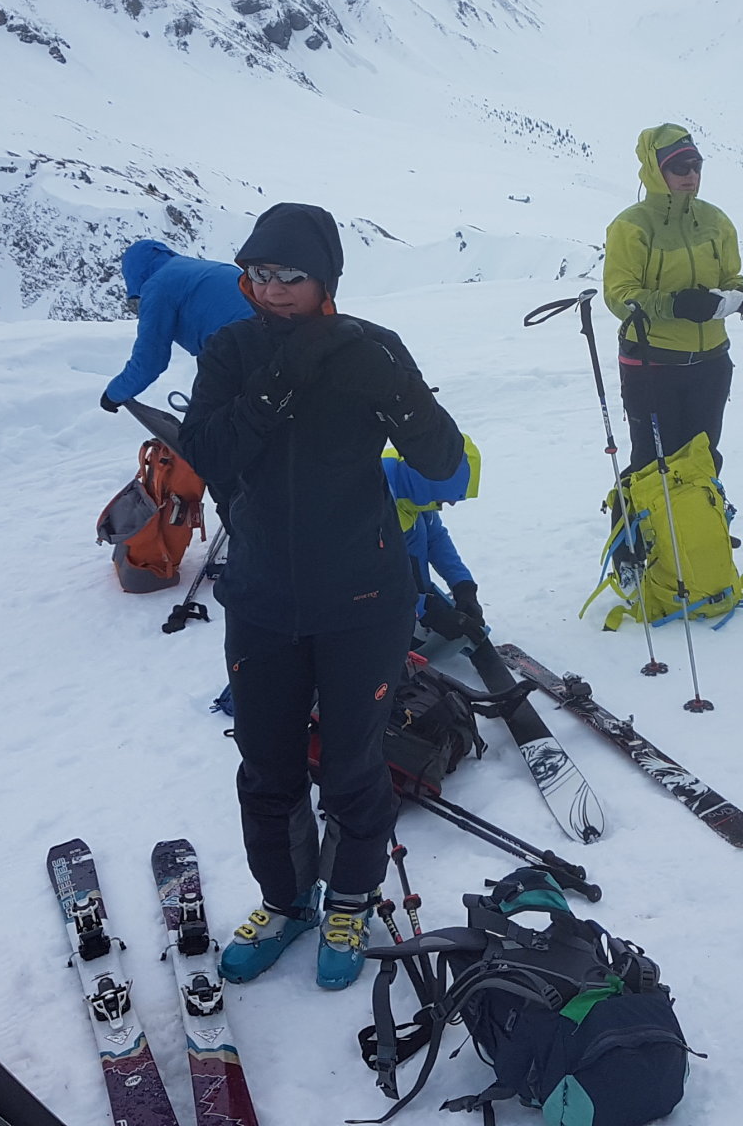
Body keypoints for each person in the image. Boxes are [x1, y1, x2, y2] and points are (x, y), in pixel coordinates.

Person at [178, 203, 464, 992]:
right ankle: (285, 902)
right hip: (262, 596)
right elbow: (208, 453)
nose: (271, 290)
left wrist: (398, 390)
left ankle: (347, 899)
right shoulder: (231, 350)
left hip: (363, 598)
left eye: (290, 276)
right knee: (267, 766)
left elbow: (441, 460)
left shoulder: (373, 347)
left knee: (351, 767)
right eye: (259, 274)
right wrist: (278, 383)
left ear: (326, 279)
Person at [602, 125, 743, 473]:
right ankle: (639, 513)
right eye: (679, 167)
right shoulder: (632, 226)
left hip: (711, 363)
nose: (691, 175)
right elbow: (619, 296)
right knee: (652, 466)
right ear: (655, 170)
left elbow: (730, 276)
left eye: (696, 166)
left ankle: (702, 512)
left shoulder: (715, 220)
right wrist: (674, 304)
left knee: (702, 459)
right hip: (652, 364)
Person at [98, 239, 252, 412]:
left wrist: (114, 394)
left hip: (238, 349)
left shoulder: (158, 287)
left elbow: (150, 360)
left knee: (209, 422)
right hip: (268, 335)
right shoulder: (199, 267)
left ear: (134, 274)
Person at [385, 437, 488, 643]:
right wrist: (427, 611)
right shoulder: (375, 500)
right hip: (369, 610)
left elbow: (435, 538)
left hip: (408, 598)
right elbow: (368, 581)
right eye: (450, 494)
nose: (452, 502)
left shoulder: (412, 487)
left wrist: (463, 585)